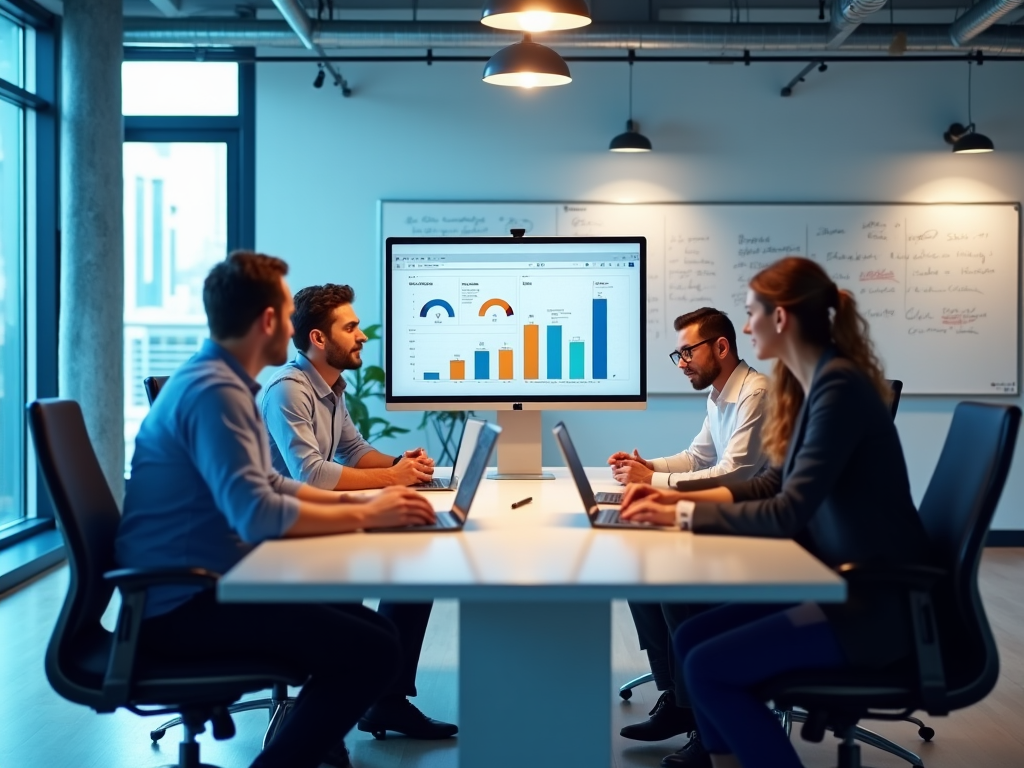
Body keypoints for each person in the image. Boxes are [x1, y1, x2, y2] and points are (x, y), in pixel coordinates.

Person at [116, 252, 438, 768]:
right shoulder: (215, 393)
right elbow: (259, 514)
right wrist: (365, 514)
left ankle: (310, 743)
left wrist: (374, 502)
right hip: (185, 606)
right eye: (288, 312)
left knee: (375, 634)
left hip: (205, 584)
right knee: (373, 651)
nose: (294, 326)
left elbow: (270, 484)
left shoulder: (219, 384)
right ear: (268, 320)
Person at [619, 256, 933, 768]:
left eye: (750, 313)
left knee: (708, 666)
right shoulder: (811, 387)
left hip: (869, 606)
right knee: (695, 640)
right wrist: (672, 498)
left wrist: (679, 515)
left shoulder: (837, 391)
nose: (744, 326)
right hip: (837, 582)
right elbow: (769, 481)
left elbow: (785, 512)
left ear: (781, 318)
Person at [260, 282, 457, 741]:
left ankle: (385, 701)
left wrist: (401, 465)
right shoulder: (288, 390)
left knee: (415, 562)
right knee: (402, 557)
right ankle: (340, 708)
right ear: (319, 339)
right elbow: (310, 473)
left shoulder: (330, 386)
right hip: (281, 537)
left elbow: (352, 449)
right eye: (350, 327)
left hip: (315, 523)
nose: (362, 335)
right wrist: (392, 480)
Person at [609, 308, 769, 746]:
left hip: (748, 527)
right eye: (676, 355)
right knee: (639, 571)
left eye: (687, 352)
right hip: (722, 516)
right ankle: (676, 700)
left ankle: (701, 710)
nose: (682, 364)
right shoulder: (719, 395)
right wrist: (648, 466)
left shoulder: (756, 394)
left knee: (671, 577)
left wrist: (652, 482)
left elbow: (735, 473)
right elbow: (698, 457)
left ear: (721, 346)